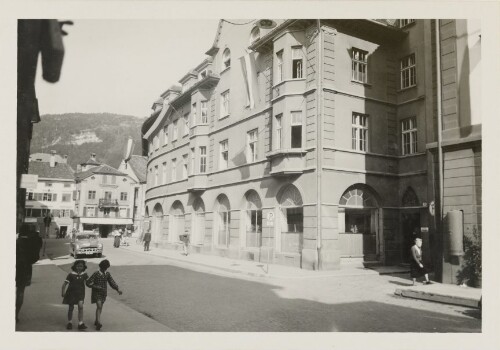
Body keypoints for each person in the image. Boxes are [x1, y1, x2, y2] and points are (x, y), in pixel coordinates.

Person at [15, 225, 43, 322]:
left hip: (15, 266)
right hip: (25, 269)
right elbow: (35, 258)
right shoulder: (31, 242)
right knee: (20, 292)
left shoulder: (17, 241)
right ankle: (15, 315)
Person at [86, 259, 123, 331]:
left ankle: (97, 320)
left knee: (100, 307)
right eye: (103, 268)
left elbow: (112, 282)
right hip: (96, 292)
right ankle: (99, 323)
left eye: (106, 268)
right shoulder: (96, 273)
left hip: (103, 293)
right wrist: (95, 286)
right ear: (100, 267)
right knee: (99, 306)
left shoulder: (107, 274)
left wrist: (117, 289)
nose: (104, 269)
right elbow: (88, 282)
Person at [61, 260, 89, 330]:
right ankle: (70, 322)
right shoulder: (71, 274)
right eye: (78, 266)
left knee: (80, 306)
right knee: (71, 308)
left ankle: (80, 323)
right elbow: (64, 284)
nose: (79, 267)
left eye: (81, 266)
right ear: (75, 266)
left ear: (83, 267)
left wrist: (94, 285)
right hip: (71, 293)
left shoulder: (84, 274)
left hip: (80, 293)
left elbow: (89, 283)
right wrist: (63, 292)